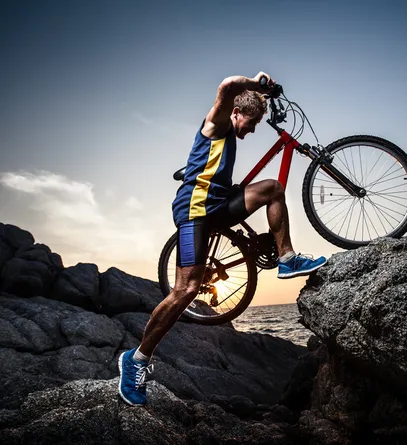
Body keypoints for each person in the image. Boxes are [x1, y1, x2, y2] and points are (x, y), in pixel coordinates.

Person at [118, 72, 327, 406]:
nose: (251, 130)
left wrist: (266, 96)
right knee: (186, 289)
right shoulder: (216, 124)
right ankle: (136, 359)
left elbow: (247, 102)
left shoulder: (234, 128)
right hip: (194, 211)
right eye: (251, 123)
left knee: (272, 188)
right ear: (235, 113)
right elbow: (227, 87)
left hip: (218, 203)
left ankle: (286, 259)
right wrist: (257, 84)